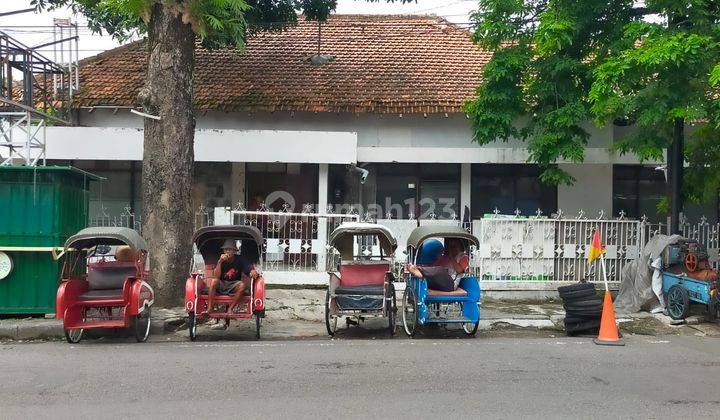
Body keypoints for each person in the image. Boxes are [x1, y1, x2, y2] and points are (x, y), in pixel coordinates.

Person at [205, 239, 259, 316]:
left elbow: (247, 267)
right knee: (214, 282)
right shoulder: (220, 259)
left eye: (230, 250)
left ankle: (230, 308)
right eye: (226, 249)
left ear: (234, 251)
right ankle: (209, 308)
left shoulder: (239, 259)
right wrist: (220, 262)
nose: (227, 252)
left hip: (233, 284)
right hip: (222, 283)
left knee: (242, 285)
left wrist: (252, 270)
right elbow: (216, 277)